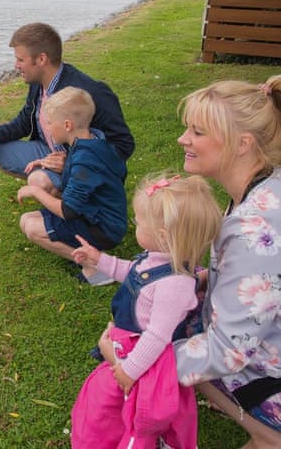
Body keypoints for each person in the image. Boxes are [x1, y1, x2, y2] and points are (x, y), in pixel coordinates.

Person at [98, 75, 281, 448]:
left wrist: (130, 362)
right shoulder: (263, 185)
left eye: (197, 132)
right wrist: (200, 280)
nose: (183, 139)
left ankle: (267, 434)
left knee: (147, 342)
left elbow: (229, 351)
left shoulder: (252, 230)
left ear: (242, 144)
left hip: (269, 369)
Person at [70, 174, 221, 448]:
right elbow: (132, 272)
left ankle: (143, 438)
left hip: (144, 360)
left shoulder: (174, 285)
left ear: (162, 235)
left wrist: (129, 370)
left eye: (138, 222)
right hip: (129, 348)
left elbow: (157, 336)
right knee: (113, 403)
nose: (135, 224)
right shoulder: (156, 258)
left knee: (139, 410)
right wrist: (99, 260)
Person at [0, 22, 134, 190]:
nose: (16, 66)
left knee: (39, 181)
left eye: (20, 59)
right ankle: (57, 183)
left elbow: (123, 144)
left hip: (85, 164)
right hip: (49, 150)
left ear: (41, 59)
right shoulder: (38, 83)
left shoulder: (90, 92)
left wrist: (71, 163)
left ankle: (76, 196)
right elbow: (24, 121)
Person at [16, 86, 128, 285]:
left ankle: (96, 267)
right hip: (98, 215)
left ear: (67, 125)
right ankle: (89, 255)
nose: (48, 129)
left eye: (50, 124)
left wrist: (34, 191)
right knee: (26, 219)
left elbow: (68, 210)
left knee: (33, 228)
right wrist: (57, 164)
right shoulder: (94, 142)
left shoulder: (84, 161)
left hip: (103, 227)